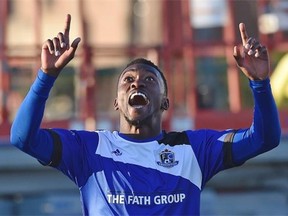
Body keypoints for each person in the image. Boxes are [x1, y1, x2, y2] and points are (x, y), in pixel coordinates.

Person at [10, 14, 281, 215]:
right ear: (117, 103)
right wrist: (45, 77)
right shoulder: (88, 150)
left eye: (149, 80)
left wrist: (259, 83)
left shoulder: (195, 150)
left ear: (165, 103)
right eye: (127, 80)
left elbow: (264, 139)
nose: (136, 83)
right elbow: (23, 138)